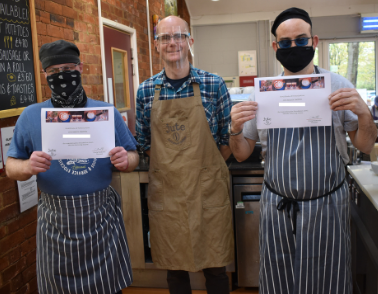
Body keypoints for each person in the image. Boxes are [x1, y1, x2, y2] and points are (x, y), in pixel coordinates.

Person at [229, 7, 377, 294]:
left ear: (315, 41)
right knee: (278, 282)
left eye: (301, 40)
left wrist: (363, 114)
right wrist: (234, 128)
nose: (293, 47)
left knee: (328, 282)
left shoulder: (337, 87)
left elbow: (365, 144)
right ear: (275, 46)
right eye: (285, 43)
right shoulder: (262, 94)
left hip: (328, 207)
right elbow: (240, 153)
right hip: (277, 207)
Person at [6, 40, 139, 294]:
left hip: (101, 220)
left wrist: (126, 160)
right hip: (56, 224)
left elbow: (133, 157)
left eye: (68, 68)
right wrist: (28, 166)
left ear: (80, 68)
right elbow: (11, 167)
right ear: (44, 74)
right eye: (54, 72)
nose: (62, 76)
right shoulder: (32, 115)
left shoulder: (104, 111)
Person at [136, 15, 234, 294]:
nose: (172, 43)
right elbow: (144, 142)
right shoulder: (146, 90)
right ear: (156, 45)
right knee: (175, 270)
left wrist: (206, 169)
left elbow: (226, 141)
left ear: (190, 41)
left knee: (215, 269)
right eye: (165, 37)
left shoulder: (213, 84)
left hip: (207, 191)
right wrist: (173, 169)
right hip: (168, 193)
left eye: (179, 36)